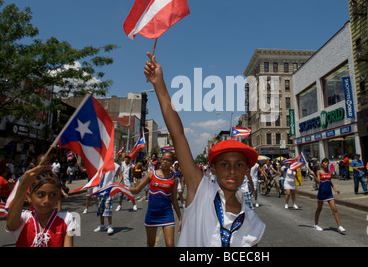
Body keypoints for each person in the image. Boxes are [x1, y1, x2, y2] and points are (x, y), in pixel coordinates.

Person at [144, 53, 265, 247]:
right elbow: (178, 135)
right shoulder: (201, 192)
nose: (232, 170)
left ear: (246, 171)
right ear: (213, 169)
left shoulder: (251, 219)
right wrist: (159, 85)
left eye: (239, 165)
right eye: (225, 164)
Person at [5, 165, 78, 247]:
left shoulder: (67, 218)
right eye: (41, 194)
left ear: (58, 197)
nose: (46, 200)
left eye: (53, 194)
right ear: (29, 197)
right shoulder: (24, 218)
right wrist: (22, 187)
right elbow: (11, 225)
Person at [130, 151, 182, 247]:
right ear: (160, 160)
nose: (165, 162)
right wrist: (120, 188)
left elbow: (174, 200)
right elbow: (137, 190)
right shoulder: (151, 174)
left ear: (172, 162)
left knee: (170, 244)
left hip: (167, 214)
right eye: (163, 159)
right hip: (152, 214)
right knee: (150, 244)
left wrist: (180, 218)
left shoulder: (174, 179)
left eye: (168, 160)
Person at [308, 158, 345, 233]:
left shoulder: (329, 172)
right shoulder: (319, 172)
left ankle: (340, 226)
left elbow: (329, 181)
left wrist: (334, 189)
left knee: (334, 209)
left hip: (329, 193)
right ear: (322, 164)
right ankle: (316, 224)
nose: (326, 164)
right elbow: (318, 182)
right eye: (324, 162)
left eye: (327, 162)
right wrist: (314, 175)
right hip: (321, 193)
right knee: (319, 209)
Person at [94, 162, 122, 235]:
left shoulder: (114, 165)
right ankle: (102, 225)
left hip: (109, 189)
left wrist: (117, 185)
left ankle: (110, 225)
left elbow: (121, 176)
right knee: (101, 208)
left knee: (108, 206)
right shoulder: (101, 164)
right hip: (101, 189)